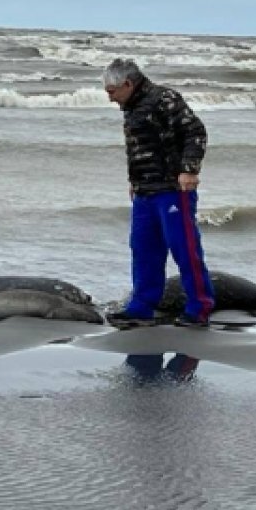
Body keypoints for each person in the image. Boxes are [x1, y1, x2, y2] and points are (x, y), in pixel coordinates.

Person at [103, 58, 215, 328]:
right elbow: (140, 149)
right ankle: (141, 307)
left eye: (112, 92)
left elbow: (195, 132)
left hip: (173, 189)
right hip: (145, 191)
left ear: (128, 84)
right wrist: (135, 180)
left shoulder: (164, 98)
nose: (110, 99)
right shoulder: (130, 106)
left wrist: (189, 170)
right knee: (143, 249)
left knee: (184, 249)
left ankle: (199, 308)